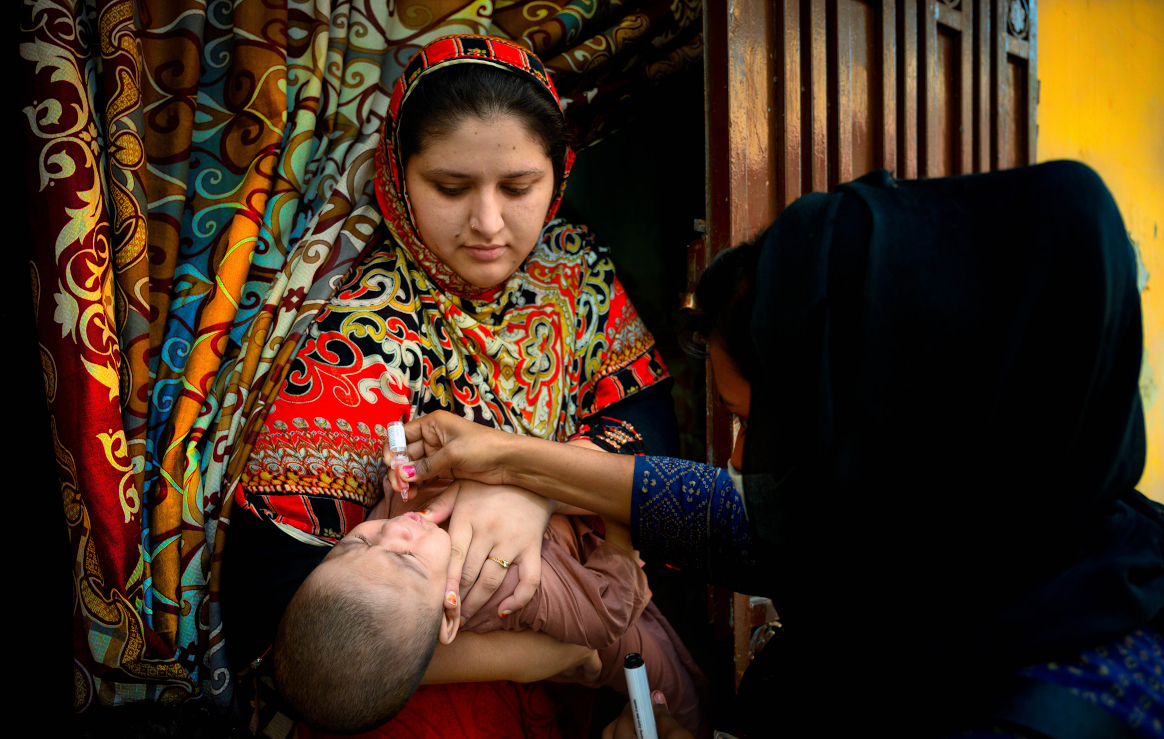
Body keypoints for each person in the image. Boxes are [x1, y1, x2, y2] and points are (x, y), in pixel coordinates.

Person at [393, 162, 1164, 738]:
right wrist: (502, 458)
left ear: (902, 414)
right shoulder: (985, 520)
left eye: (767, 427)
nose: (742, 463)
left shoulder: (1064, 710)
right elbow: (725, 515)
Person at [221, 34, 682, 738]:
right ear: (398, 177)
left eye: (520, 187)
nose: (489, 223)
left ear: (560, 175)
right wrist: (539, 656)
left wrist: (529, 485)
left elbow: (647, 424)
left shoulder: (573, 271)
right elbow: (277, 626)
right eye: (451, 187)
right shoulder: (351, 330)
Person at [274, 502, 706, 735]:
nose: (392, 531)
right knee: (679, 696)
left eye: (354, 545)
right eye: (405, 558)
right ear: (448, 616)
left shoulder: (398, 554)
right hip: (614, 636)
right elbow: (608, 614)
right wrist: (619, 531)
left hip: (570, 570)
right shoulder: (512, 590)